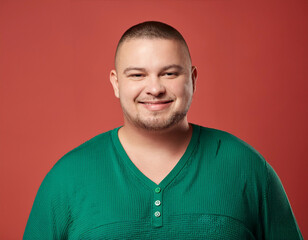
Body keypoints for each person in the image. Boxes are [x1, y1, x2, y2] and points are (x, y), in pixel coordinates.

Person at [24, 21, 303, 239]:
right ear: (116, 82)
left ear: (192, 79)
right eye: (137, 75)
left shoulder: (247, 168)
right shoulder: (67, 177)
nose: (155, 88)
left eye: (169, 73)